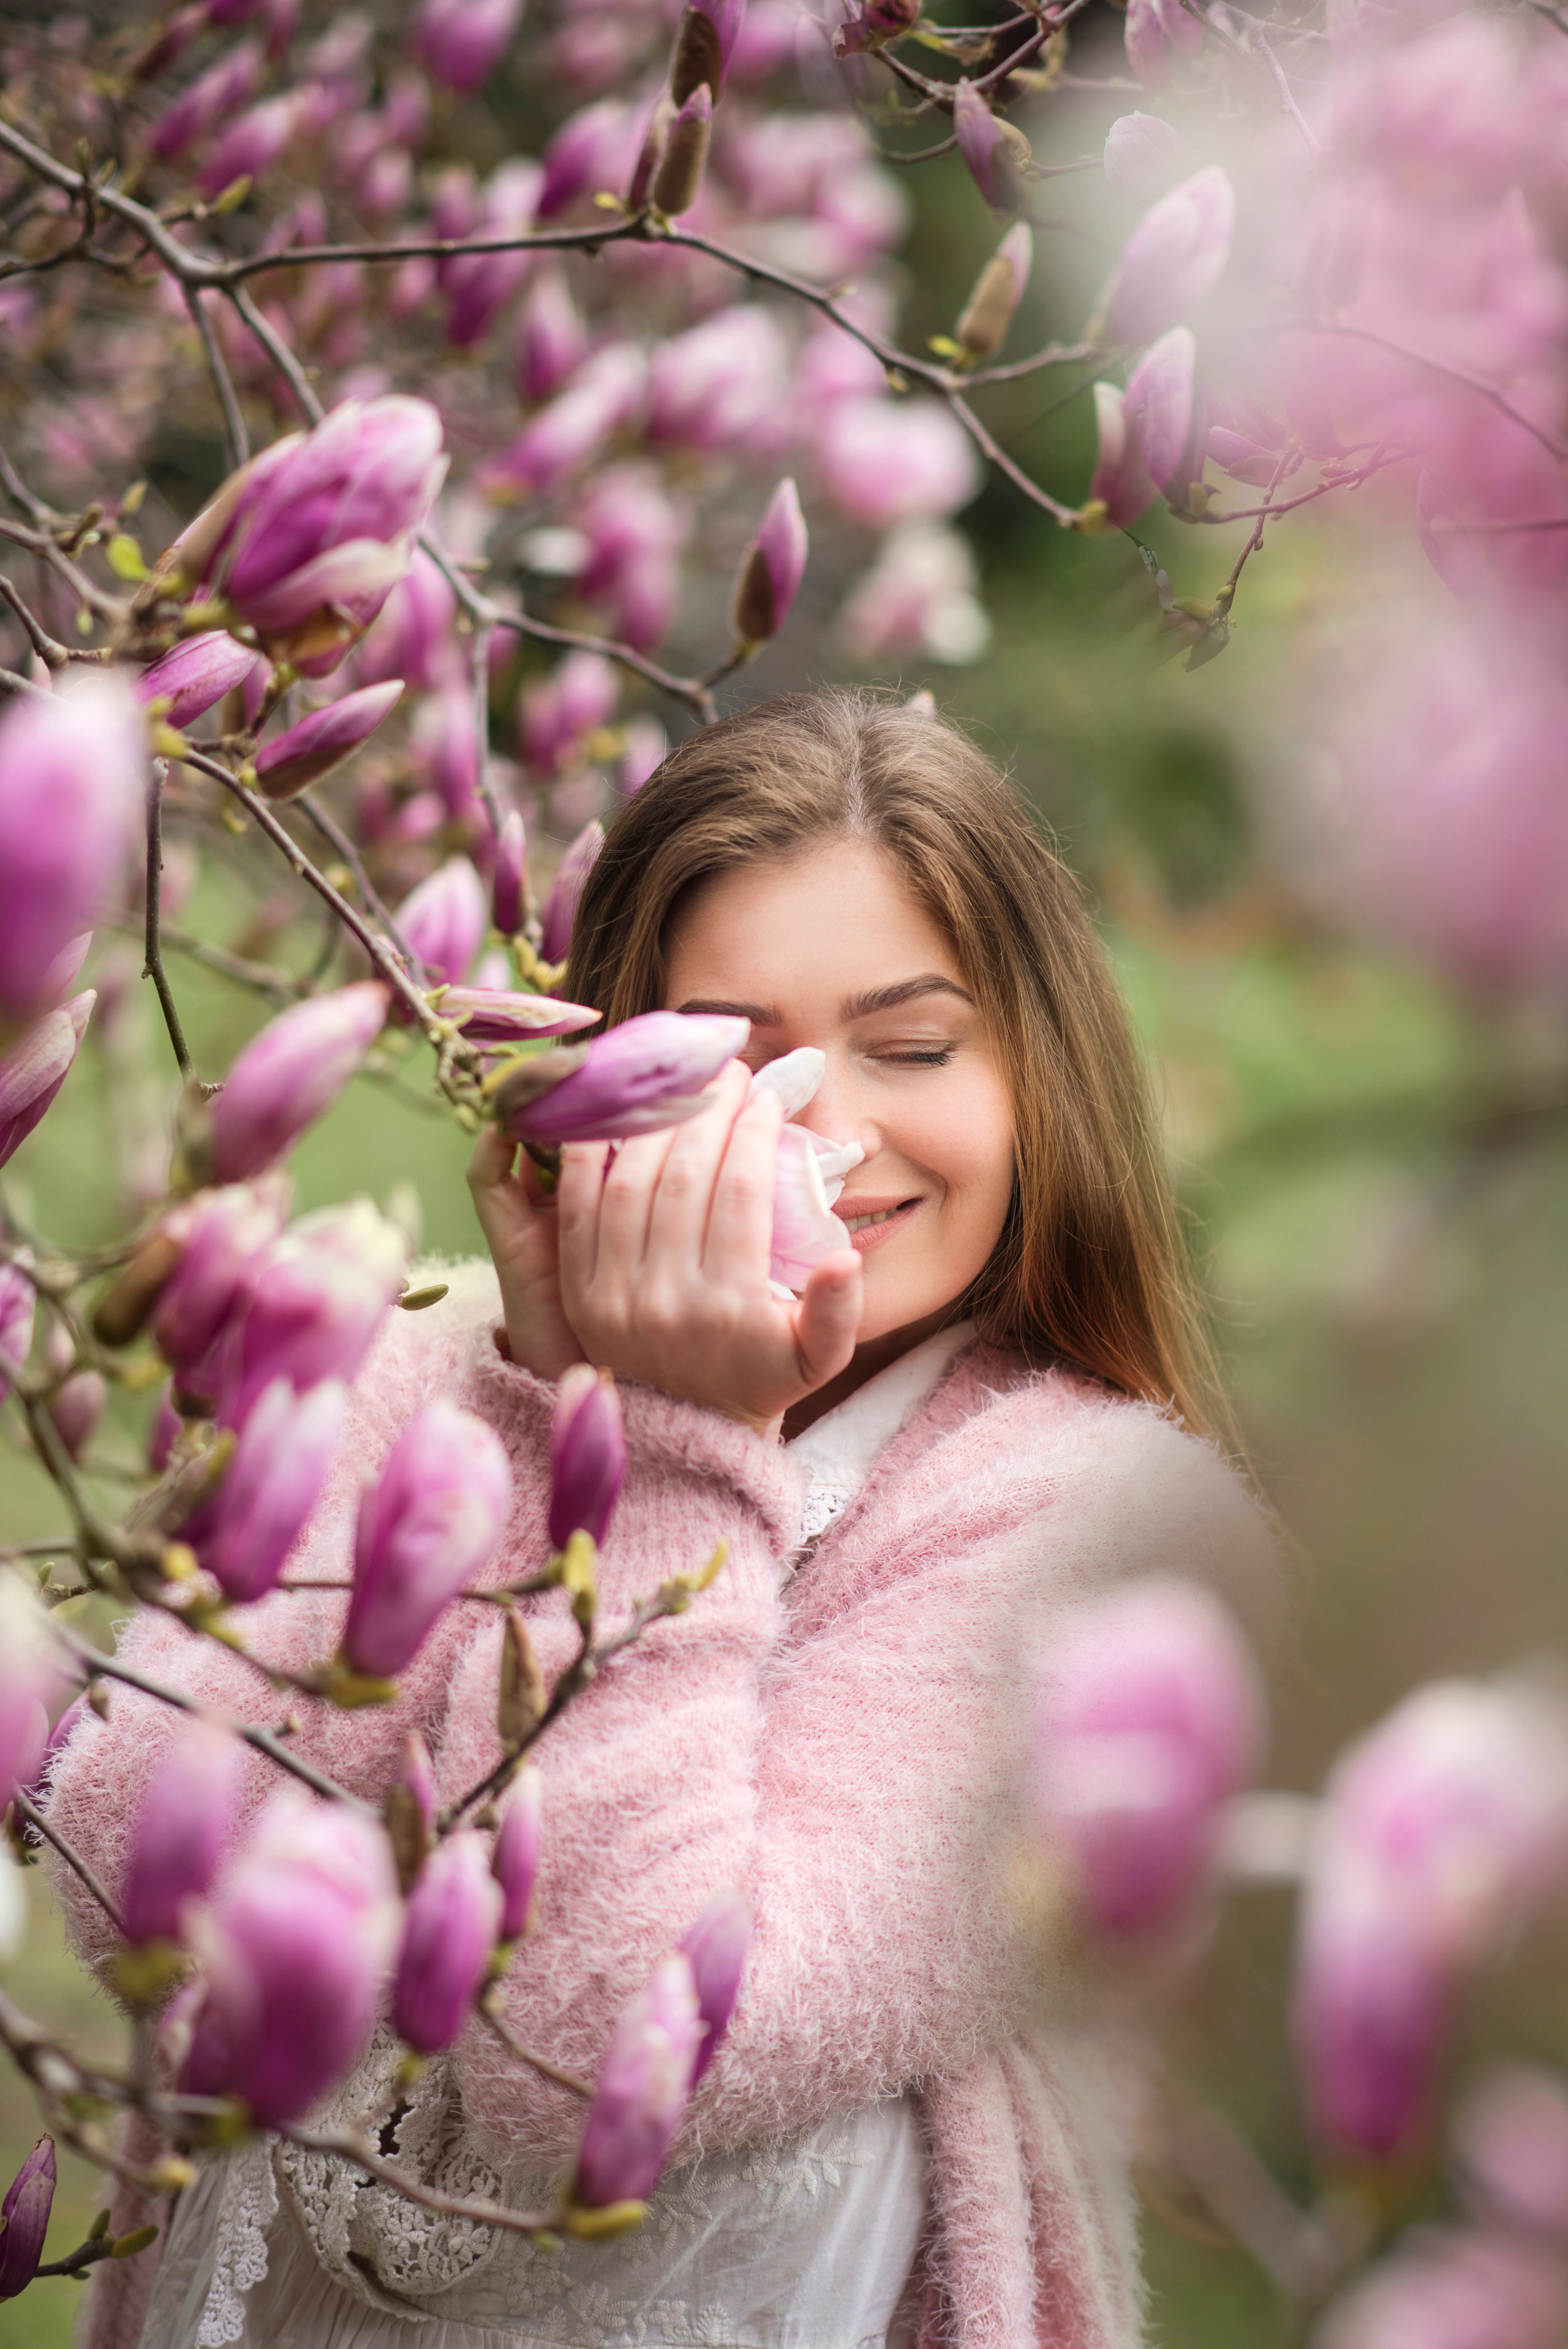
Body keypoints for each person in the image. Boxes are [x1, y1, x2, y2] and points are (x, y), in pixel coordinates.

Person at [48, 689, 1275, 2349]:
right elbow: (130, 1865)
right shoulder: (427, 1358)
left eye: (915, 1047)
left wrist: (673, 1443)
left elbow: (614, 2055)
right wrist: (537, 1387)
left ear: (1038, 1078)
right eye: (731, 1059)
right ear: (602, 1077)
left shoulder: (1111, 1545)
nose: (824, 1132)